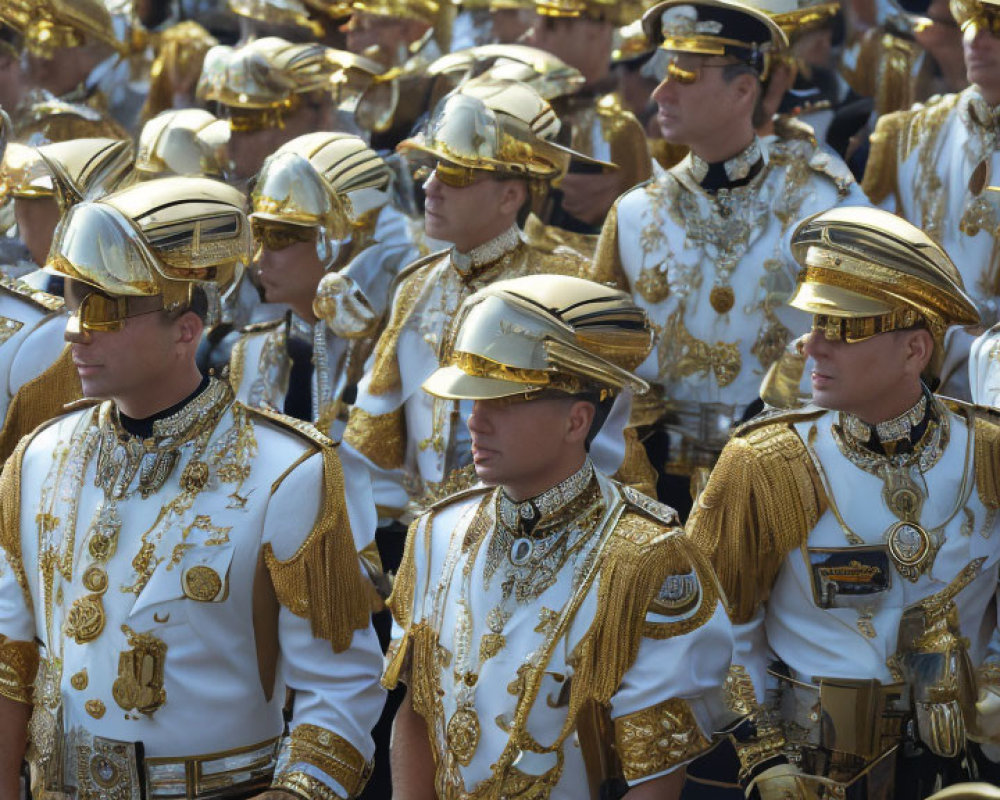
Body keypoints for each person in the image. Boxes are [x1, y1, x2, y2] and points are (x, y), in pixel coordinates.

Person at [0, 175, 385, 798]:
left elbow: (340, 683)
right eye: (77, 303)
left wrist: (296, 792)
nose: (76, 330)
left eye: (108, 309)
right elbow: (8, 655)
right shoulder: (39, 454)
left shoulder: (287, 470)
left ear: (186, 330)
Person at [687, 206, 1000, 799]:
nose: (810, 345)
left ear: (914, 350)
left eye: (842, 328)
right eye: (815, 323)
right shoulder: (769, 462)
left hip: (960, 764)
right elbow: (717, 627)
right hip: (812, 769)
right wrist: (762, 755)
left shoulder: (988, 451)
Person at [385, 273, 735, 800]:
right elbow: (416, 712)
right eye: (474, 401)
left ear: (577, 422)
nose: (474, 422)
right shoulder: (437, 531)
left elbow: (654, 772)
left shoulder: (647, 559)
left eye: (502, 403)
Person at [342, 79, 653, 528]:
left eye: (454, 173)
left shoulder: (567, 284)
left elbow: (606, 438)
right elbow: (372, 438)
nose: (430, 187)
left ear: (511, 195)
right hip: (428, 540)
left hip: (543, 533)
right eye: (430, 168)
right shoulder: (416, 286)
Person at [594, 0, 864, 515]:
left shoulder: (822, 203)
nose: (659, 93)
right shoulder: (633, 214)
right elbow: (601, 364)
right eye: (661, 72)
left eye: (683, 76)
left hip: (791, 475)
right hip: (657, 484)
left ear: (744, 90)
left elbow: (863, 340)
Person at [230, 132, 418, 441]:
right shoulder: (252, 354)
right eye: (258, 235)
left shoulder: (393, 354)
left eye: (279, 236)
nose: (259, 258)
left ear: (341, 241)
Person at [863, 0, 1000, 397]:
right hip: (920, 380)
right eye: (972, 22)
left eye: (996, 28)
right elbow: (877, 270)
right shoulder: (909, 134)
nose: (976, 39)